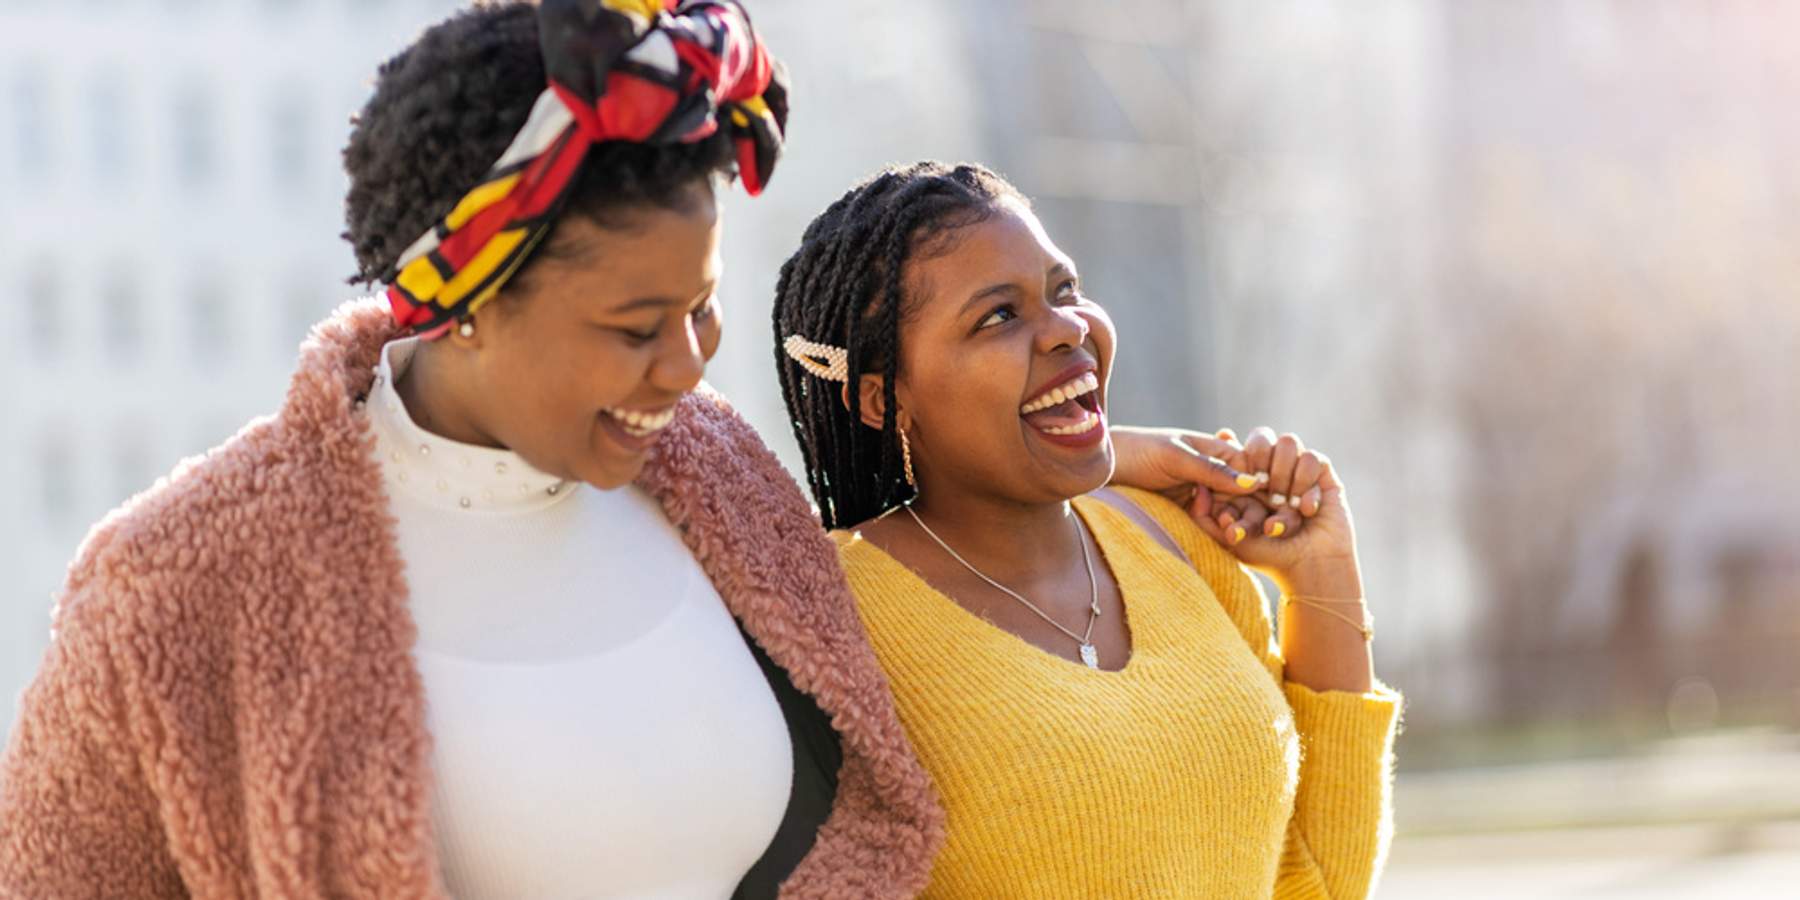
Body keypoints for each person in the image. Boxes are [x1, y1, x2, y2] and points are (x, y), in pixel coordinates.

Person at [0, 4, 1263, 897]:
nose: (688, 365)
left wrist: (1122, 461)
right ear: (464, 302)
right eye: (632, 326)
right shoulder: (179, 590)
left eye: (703, 305)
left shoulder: (715, 484)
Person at [773, 161, 1404, 898]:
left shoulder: (1177, 539)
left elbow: (1316, 883)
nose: (1067, 329)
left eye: (1064, 290)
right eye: (998, 317)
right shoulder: (827, 614)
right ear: (882, 400)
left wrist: (1323, 572)